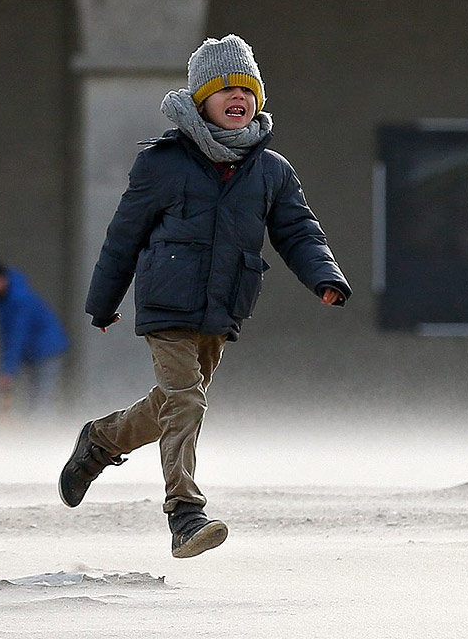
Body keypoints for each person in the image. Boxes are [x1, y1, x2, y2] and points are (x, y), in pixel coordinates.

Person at [58, 33, 351, 559]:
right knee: (187, 400)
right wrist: (103, 302)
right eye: (224, 89)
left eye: (247, 89)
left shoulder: (271, 171)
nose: (237, 97)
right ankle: (185, 515)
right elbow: (124, 234)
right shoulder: (164, 163)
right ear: (201, 99)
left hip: (223, 306)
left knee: (171, 405)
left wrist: (323, 276)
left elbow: (298, 231)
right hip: (166, 302)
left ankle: (100, 442)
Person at [0, 258, 70, 416]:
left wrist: (7, 370)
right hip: (34, 354)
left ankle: (41, 434)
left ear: (3, 278)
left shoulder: (18, 300)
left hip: (47, 351)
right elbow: (7, 337)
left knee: (42, 400)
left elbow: (16, 337)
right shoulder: (4, 299)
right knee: (33, 399)